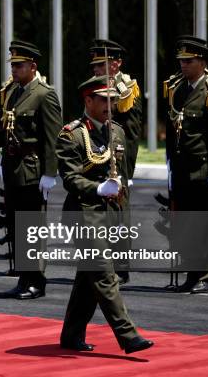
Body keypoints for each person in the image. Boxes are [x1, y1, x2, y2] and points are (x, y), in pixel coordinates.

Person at [56, 75, 153, 354]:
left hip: (110, 215)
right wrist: (97, 188)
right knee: (103, 274)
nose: (111, 105)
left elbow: (121, 179)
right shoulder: (71, 134)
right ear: (88, 101)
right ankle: (128, 336)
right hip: (84, 214)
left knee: (88, 278)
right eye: (104, 100)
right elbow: (71, 179)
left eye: (113, 99)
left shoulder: (117, 132)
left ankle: (71, 334)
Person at [0, 41, 62, 299]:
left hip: (32, 169)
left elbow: (52, 137)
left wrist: (50, 173)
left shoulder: (44, 94)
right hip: (13, 168)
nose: (14, 69)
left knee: (32, 227)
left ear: (32, 67)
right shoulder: (13, 92)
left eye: (19, 65)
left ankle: (37, 280)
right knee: (15, 225)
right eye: (12, 65)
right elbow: (10, 131)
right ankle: (24, 277)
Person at [164, 36, 208, 294]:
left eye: (188, 61)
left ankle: (206, 275)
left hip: (202, 168)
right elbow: (172, 130)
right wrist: (169, 162)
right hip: (181, 168)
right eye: (181, 61)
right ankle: (191, 273)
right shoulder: (177, 88)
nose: (183, 65)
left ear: (202, 62)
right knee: (185, 224)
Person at [89, 39, 142, 284]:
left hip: (117, 160)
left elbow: (130, 134)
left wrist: (125, 169)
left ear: (116, 63)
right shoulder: (95, 87)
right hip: (96, 157)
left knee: (119, 214)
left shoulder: (126, 89)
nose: (97, 69)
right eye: (96, 65)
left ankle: (121, 268)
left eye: (102, 64)